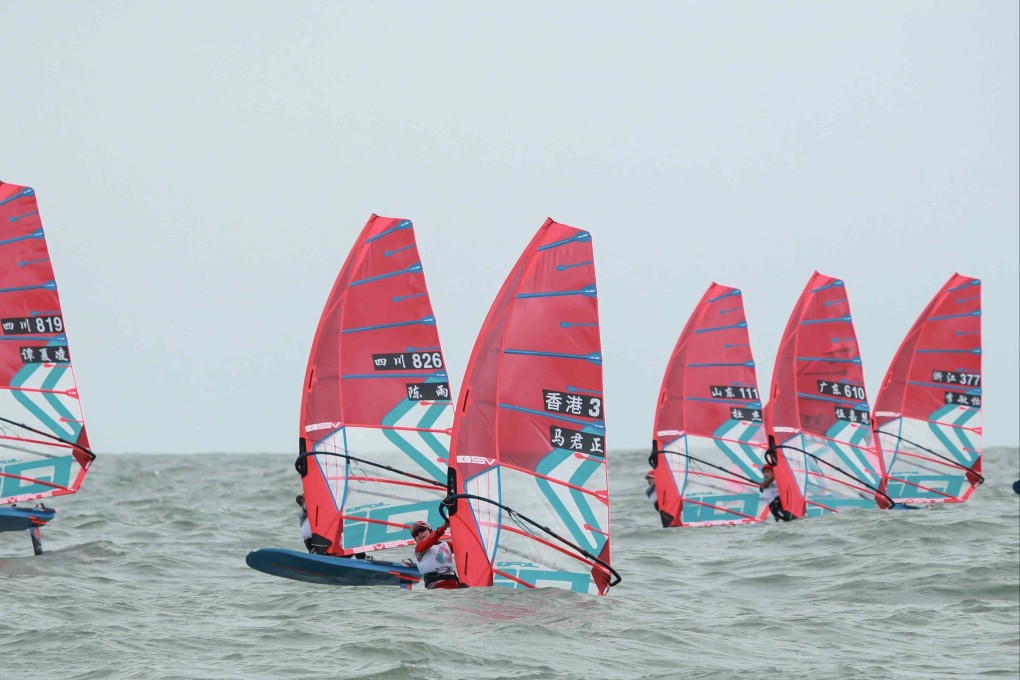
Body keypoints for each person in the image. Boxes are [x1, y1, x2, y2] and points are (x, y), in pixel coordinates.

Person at [408, 519, 461, 589]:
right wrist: (444, 527)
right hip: (435, 588)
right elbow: (430, 540)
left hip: (454, 585)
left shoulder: (447, 545)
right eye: (415, 533)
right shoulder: (419, 549)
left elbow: (466, 552)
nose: (419, 534)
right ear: (415, 539)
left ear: (430, 530)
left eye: (422, 529)